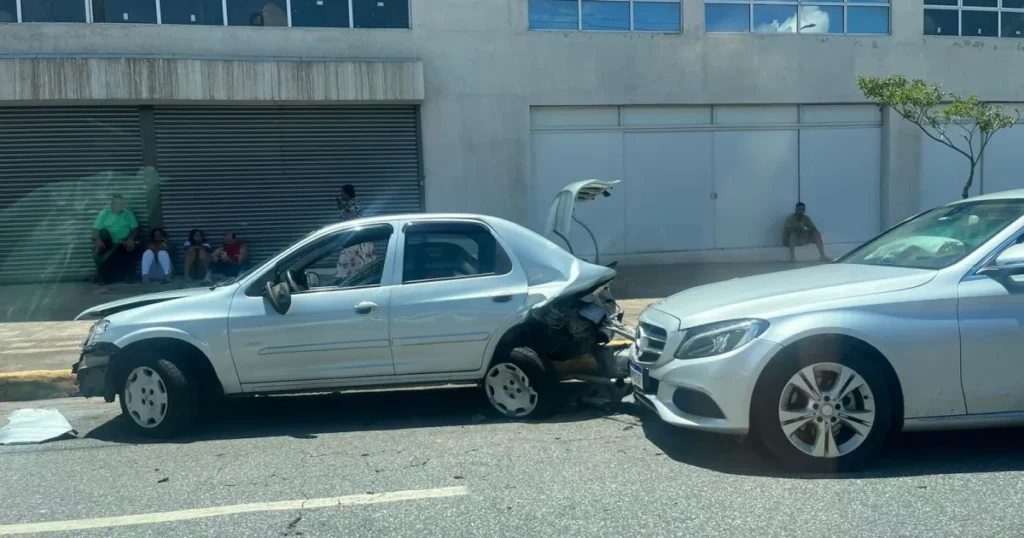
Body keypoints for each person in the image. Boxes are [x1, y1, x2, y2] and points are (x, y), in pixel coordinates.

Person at [92, 194, 140, 284]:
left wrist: (130, 239)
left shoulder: (128, 213)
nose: (119, 205)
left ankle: (129, 276)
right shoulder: (104, 214)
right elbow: (95, 229)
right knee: (101, 238)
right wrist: (98, 239)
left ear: (124, 204)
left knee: (133, 247)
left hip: (123, 242)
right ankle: (104, 277)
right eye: (116, 203)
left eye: (121, 203)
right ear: (112, 205)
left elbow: (135, 229)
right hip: (108, 243)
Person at [335, 184, 376, 280]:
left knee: (352, 262)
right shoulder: (351, 203)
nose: (340, 195)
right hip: (356, 238)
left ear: (346, 193)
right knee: (357, 263)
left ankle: (350, 280)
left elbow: (352, 217)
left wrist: (342, 210)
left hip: (357, 239)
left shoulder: (354, 203)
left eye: (342, 192)